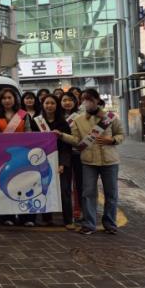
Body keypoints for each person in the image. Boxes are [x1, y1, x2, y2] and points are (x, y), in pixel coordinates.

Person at [55, 89, 124, 235]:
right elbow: (76, 140)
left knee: (111, 194)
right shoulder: (79, 120)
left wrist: (112, 140)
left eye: (90, 99)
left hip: (109, 161)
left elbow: (121, 134)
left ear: (97, 100)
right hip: (88, 162)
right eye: (84, 100)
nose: (87, 102)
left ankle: (110, 224)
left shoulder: (110, 117)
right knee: (88, 193)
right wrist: (62, 136)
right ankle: (89, 224)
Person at [32, 95, 73, 229]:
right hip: (42, 160)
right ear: (42, 105)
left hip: (60, 160)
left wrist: (62, 163)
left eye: (52, 103)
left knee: (64, 191)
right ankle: (46, 218)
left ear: (57, 105)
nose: (49, 106)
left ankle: (68, 220)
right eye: (47, 103)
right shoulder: (36, 121)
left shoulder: (63, 123)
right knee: (44, 189)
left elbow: (67, 146)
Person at [0, 88, 31, 226]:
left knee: (24, 185)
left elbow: (28, 133)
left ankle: (26, 217)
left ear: (15, 99)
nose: (7, 100)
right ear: (0, 101)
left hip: (22, 155)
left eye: (9, 97)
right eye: (4, 98)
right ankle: (7, 216)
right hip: (4, 157)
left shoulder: (23, 115)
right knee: (5, 186)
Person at [61, 92, 83, 222]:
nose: (67, 102)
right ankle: (67, 213)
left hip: (78, 154)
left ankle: (80, 211)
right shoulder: (58, 117)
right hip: (63, 155)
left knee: (80, 184)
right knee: (65, 186)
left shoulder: (80, 116)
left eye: (70, 100)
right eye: (64, 100)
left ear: (75, 102)